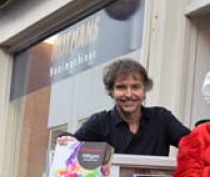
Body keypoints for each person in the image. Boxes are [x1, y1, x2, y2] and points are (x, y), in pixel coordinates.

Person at [56, 58, 190, 155]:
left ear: (144, 90)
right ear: (111, 91)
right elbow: (74, 141)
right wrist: (68, 140)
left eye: (135, 87)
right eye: (121, 87)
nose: (129, 94)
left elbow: (192, 143)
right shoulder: (101, 122)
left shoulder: (161, 119)